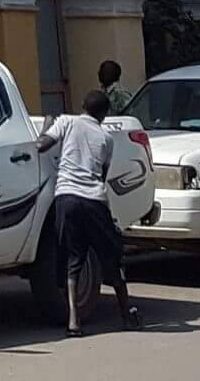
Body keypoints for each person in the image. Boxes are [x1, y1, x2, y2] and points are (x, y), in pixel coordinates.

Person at [37, 88, 142, 336]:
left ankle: (73, 321)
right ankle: (127, 314)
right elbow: (102, 176)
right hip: (94, 200)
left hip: (66, 198)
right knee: (112, 258)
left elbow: (41, 145)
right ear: (104, 114)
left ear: (82, 106)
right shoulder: (106, 138)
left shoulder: (66, 122)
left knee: (72, 260)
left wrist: (47, 124)